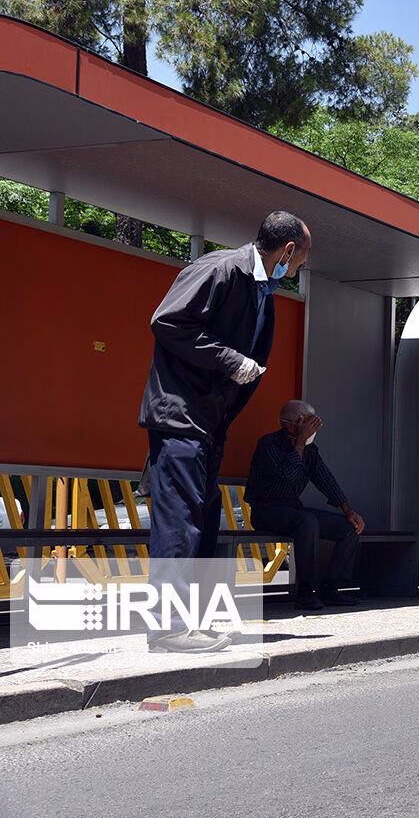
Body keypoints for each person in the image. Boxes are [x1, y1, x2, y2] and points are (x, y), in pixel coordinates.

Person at [138, 210, 310, 653]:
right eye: (302, 259)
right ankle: (168, 628)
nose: (300, 268)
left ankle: (191, 622)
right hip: (180, 416)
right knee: (180, 522)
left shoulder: (261, 293)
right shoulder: (220, 269)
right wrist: (231, 360)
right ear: (287, 251)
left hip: (208, 423)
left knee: (203, 522)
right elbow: (168, 321)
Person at [244, 400, 365, 610]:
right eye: (308, 424)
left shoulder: (310, 451)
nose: (313, 429)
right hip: (266, 510)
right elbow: (290, 474)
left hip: (293, 509)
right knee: (307, 522)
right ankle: (305, 592)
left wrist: (347, 510)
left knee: (348, 528)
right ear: (290, 426)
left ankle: (330, 588)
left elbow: (325, 479)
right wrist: (300, 441)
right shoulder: (269, 444)